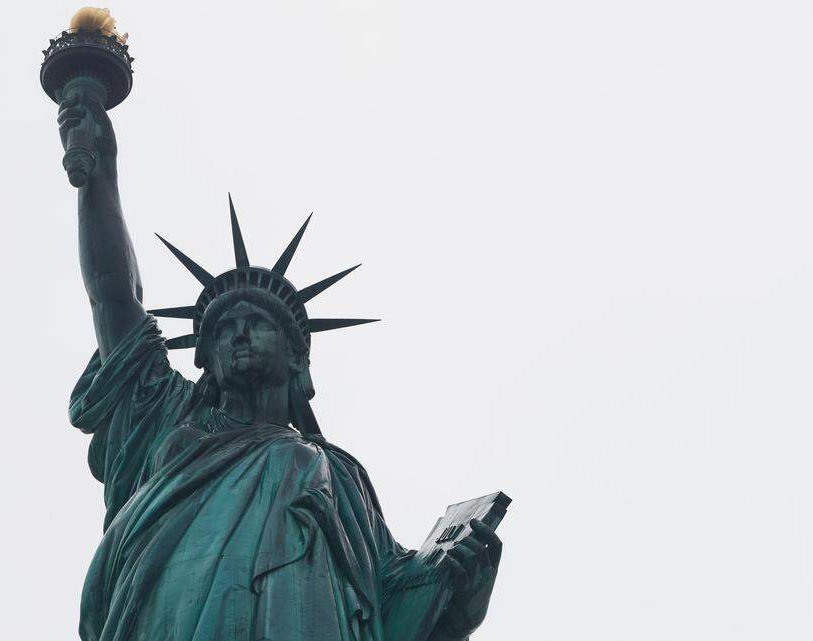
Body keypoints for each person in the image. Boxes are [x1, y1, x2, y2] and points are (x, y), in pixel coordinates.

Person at [55, 94, 503, 641]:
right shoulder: (165, 417)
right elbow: (112, 294)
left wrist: (459, 593)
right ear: (205, 358)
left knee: (296, 460)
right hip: (164, 621)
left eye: (257, 323)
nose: (239, 334)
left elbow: (394, 607)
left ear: (296, 356)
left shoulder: (340, 477)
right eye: (223, 329)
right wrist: (101, 177)